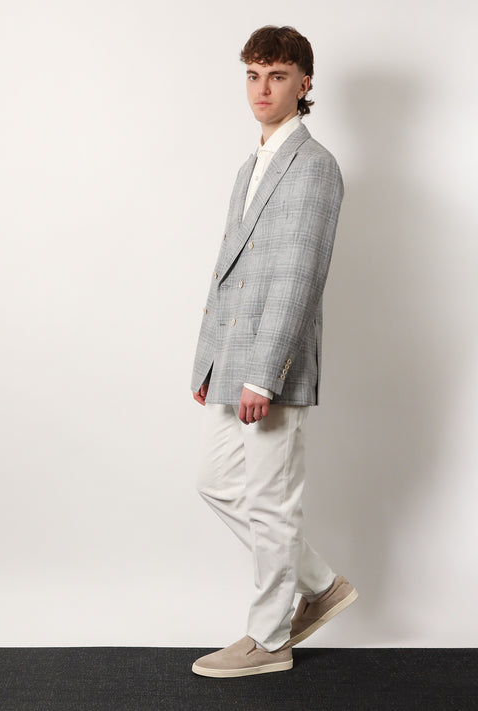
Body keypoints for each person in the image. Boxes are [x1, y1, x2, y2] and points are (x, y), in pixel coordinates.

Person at [190, 25, 357, 678]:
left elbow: (297, 277)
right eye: (253, 75)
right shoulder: (249, 166)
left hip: (271, 366)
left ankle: (268, 639)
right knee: (214, 480)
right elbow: (227, 272)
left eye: (277, 76)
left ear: (303, 84)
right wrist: (209, 363)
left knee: (270, 501)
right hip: (230, 359)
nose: (262, 89)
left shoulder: (314, 166)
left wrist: (263, 375)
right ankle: (321, 584)